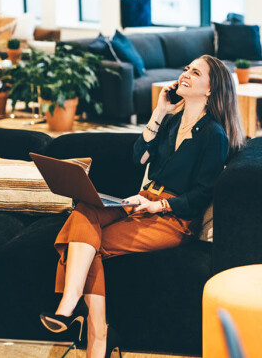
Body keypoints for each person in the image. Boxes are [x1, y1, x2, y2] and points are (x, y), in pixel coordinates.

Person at [39, 54, 246, 358]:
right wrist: (159, 111)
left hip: (174, 217)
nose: (185, 73)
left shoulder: (214, 135)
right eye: (186, 68)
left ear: (211, 90)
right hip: (141, 199)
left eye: (195, 72)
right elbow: (139, 158)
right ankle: (74, 310)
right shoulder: (172, 120)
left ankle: (94, 334)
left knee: (85, 243)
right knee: (84, 209)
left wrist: (159, 205)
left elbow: (202, 195)